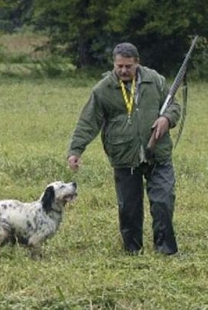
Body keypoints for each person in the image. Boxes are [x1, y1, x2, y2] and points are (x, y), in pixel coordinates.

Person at [67, 42, 181, 255]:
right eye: (119, 66)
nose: (123, 71)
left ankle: (166, 251)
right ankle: (132, 251)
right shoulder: (103, 89)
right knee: (128, 208)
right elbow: (88, 121)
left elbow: (174, 104)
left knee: (163, 202)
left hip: (158, 153)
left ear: (137, 63)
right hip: (124, 156)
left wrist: (167, 118)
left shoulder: (154, 80)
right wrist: (75, 151)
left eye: (128, 66)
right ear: (114, 64)